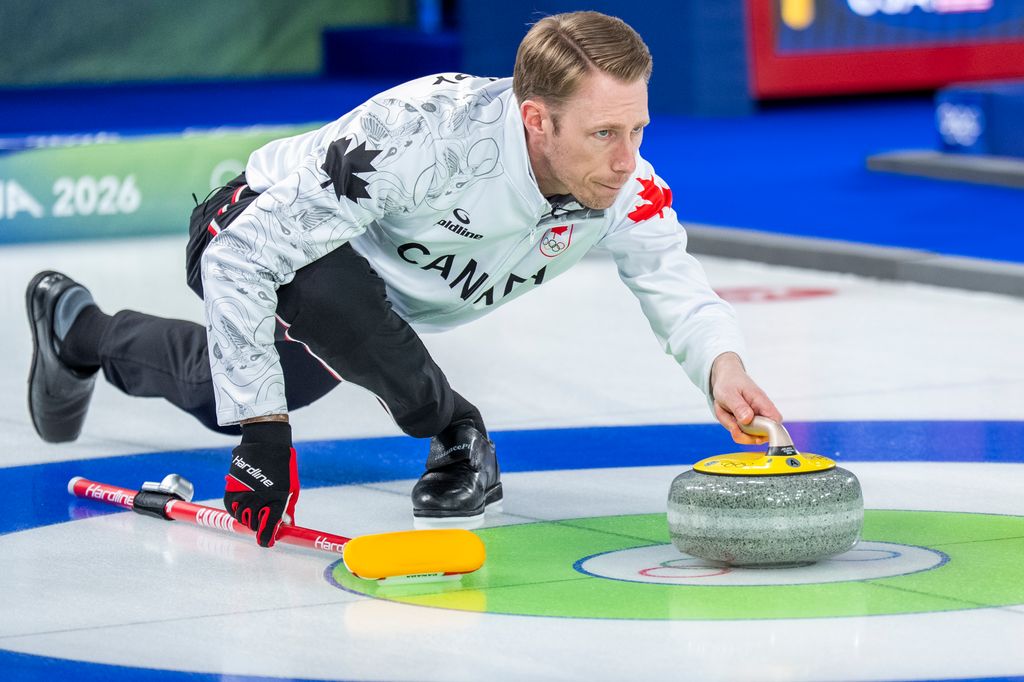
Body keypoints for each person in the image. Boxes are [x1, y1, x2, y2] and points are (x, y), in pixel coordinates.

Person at [27, 11, 781, 548]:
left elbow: (666, 271)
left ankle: (77, 329)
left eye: (638, 129)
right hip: (255, 228)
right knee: (304, 329)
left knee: (212, 389)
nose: (626, 160)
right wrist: (266, 434)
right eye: (605, 134)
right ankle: (454, 428)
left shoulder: (620, 182)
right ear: (536, 121)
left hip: (370, 311)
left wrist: (723, 365)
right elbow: (242, 258)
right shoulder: (422, 136)